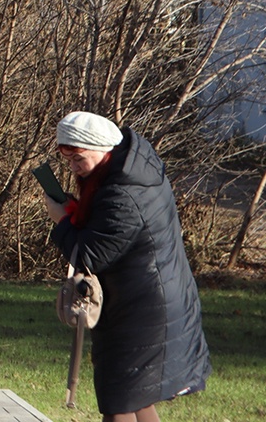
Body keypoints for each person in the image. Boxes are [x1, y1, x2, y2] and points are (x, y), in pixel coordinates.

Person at [44, 111, 211, 422]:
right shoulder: (125, 171)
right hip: (143, 300)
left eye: (78, 157)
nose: (73, 167)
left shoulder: (123, 192)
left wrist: (62, 221)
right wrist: (77, 214)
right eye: (67, 159)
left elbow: (91, 253)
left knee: (118, 399)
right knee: (134, 397)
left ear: (101, 148)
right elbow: (108, 233)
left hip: (145, 309)